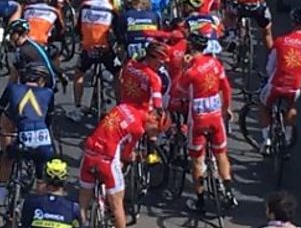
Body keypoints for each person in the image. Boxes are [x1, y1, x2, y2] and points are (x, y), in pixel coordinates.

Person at [170, 30, 236, 211]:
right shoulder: (216, 63)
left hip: (198, 120)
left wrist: (183, 68)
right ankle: (229, 192)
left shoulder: (190, 72)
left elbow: (177, 91)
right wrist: (227, 108)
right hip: (215, 116)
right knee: (221, 154)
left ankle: (199, 201)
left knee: (197, 161)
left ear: (190, 48)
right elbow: (226, 88)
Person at [77, 101, 159, 228]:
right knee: (117, 204)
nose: (154, 134)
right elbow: (126, 155)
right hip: (107, 159)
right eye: (155, 131)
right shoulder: (138, 129)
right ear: (152, 120)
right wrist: (131, 157)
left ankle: (83, 222)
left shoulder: (123, 107)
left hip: (89, 151)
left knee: (85, 192)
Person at [259, 8, 301, 151]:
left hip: (276, 84)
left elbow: (270, 66)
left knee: (263, 106)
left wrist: (268, 75)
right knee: (291, 106)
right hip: (295, 87)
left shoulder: (281, 41)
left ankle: (267, 140)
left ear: (293, 23)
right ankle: (288, 137)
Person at [0, 64, 56, 206]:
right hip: (42, 140)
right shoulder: (48, 93)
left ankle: (1, 195)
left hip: (22, 139)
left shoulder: (12, 88)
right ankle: (40, 206)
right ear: (41, 80)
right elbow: (49, 119)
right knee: (41, 175)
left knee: (7, 157)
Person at [20, 158, 80, 228]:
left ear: (45, 179)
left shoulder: (31, 202)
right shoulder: (74, 208)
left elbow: (24, 224)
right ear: (65, 181)